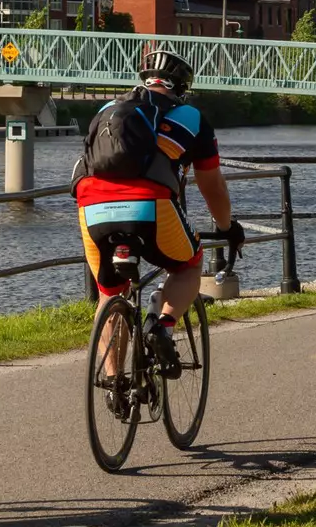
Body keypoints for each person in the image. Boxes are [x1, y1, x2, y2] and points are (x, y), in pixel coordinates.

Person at [73, 48, 243, 374]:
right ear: (181, 88)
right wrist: (226, 227)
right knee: (188, 265)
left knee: (110, 294)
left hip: (91, 203)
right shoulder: (191, 117)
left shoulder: (108, 109)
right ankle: (162, 327)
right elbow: (212, 186)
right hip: (150, 204)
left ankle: (115, 385)